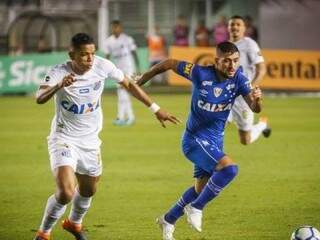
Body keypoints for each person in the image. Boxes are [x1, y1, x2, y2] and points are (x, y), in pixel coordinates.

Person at [33, 33, 179, 240]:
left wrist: (155, 108)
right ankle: (44, 233)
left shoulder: (102, 65)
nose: (90, 59)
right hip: (64, 138)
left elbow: (128, 84)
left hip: (91, 142)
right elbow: (39, 98)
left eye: (92, 54)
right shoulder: (59, 72)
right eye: (84, 55)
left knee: (88, 190)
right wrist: (59, 86)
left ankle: (74, 224)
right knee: (66, 192)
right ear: (72, 54)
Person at [136, 42, 263, 240]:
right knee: (230, 169)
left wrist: (257, 99)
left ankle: (168, 220)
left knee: (200, 190)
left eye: (236, 61)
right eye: (227, 61)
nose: (232, 66)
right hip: (194, 140)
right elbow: (169, 63)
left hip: (214, 142)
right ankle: (196, 208)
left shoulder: (239, 79)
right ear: (216, 61)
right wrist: (143, 78)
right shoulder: (199, 73)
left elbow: (254, 108)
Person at [228, 15, 271, 145]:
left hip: (243, 97)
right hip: (227, 94)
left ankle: (262, 125)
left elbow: (261, 69)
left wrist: (250, 87)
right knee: (217, 126)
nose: (235, 27)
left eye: (238, 24)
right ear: (228, 27)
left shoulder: (249, 44)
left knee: (245, 140)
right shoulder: (225, 46)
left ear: (244, 28)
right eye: (232, 24)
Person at [104, 20, 140, 126]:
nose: (115, 29)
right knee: (121, 93)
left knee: (123, 91)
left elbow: (134, 53)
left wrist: (138, 68)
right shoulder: (108, 41)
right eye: (114, 27)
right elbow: (107, 57)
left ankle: (128, 117)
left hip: (129, 68)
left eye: (117, 27)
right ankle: (122, 117)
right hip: (118, 69)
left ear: (121, 28)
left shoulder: (127, 39)